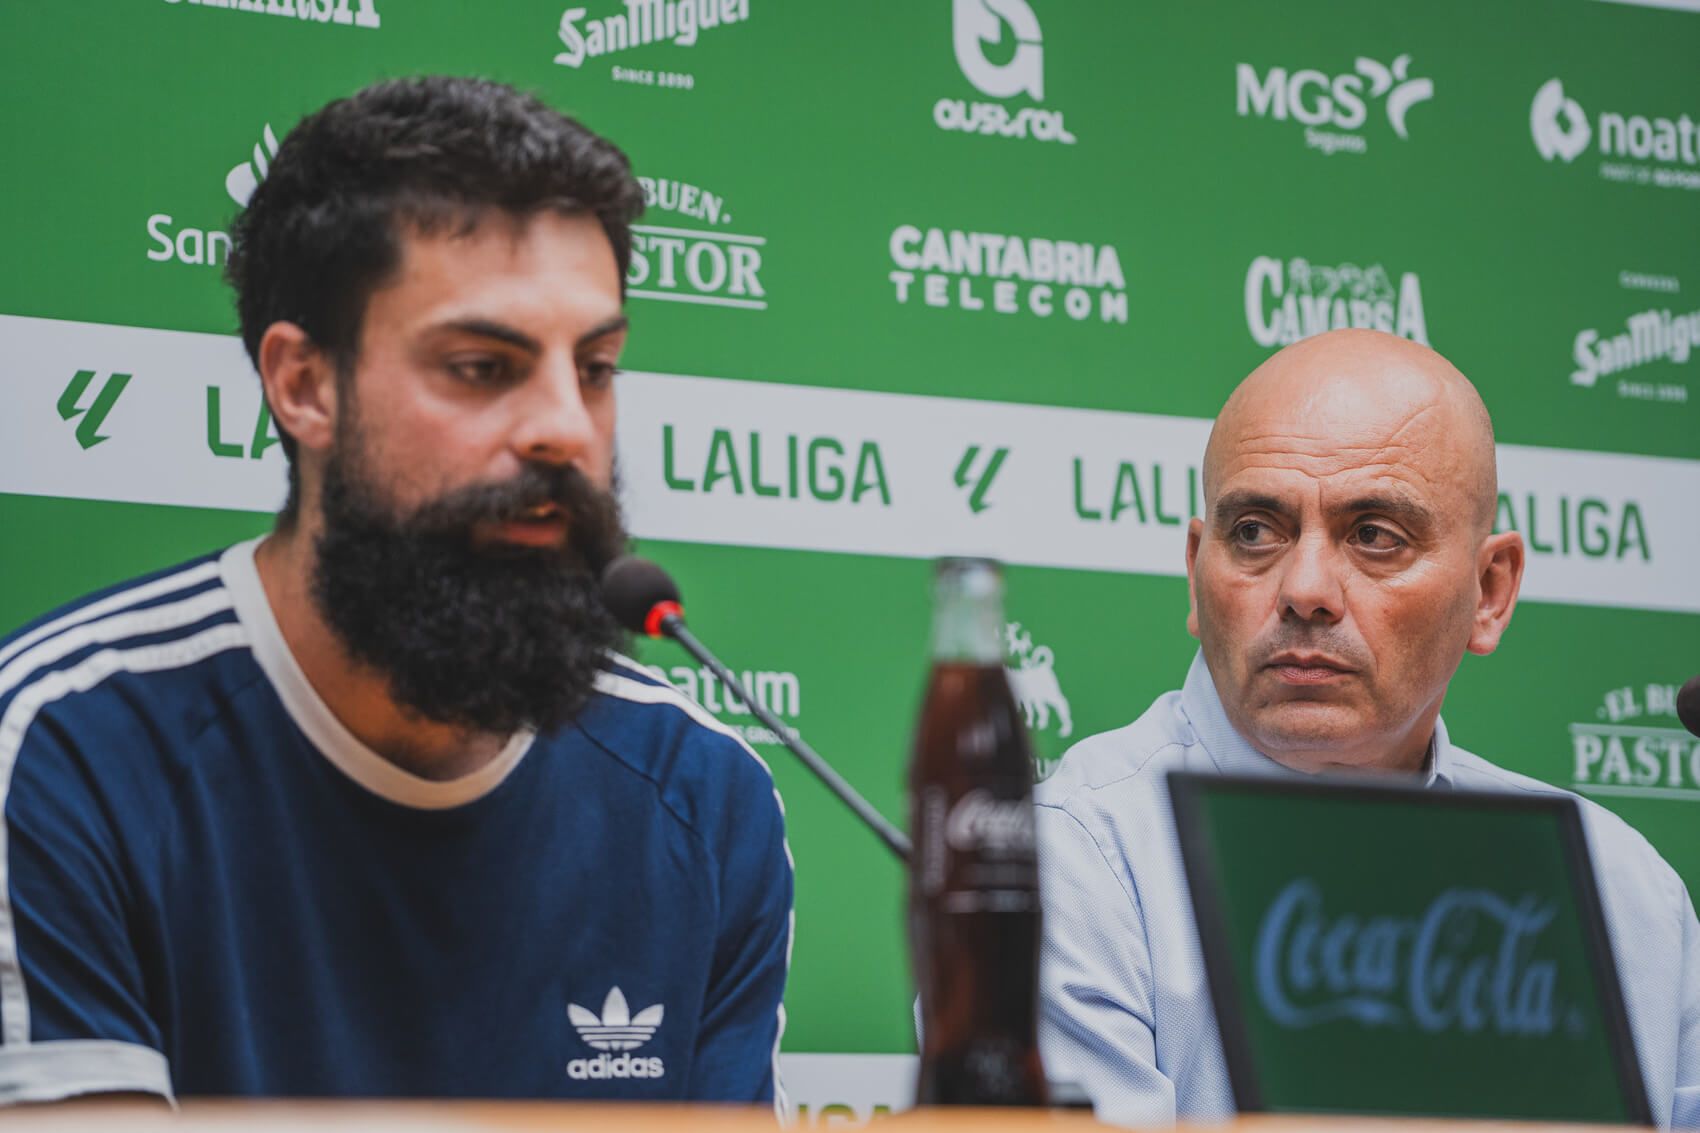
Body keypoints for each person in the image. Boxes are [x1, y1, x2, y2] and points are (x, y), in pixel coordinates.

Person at [0, 76, 792, 1108]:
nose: (564, 426)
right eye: (480, 365)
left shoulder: (699, 793)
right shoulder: (61, 750)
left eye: (594, 367)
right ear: (303, 384)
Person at [1035, 329, 1700, 1127]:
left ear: (1490, 592)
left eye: (1375, 534)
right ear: (1195, 567)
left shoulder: (1625, 890)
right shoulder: (1072, 859)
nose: (1305, 588)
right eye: (1254, 531)